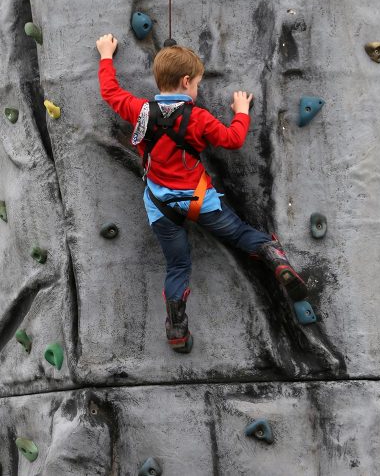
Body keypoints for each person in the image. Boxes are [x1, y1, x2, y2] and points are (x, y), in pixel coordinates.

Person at [96, 33, 308, 354]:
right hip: (200, 201)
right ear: (185, 81)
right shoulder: (198, 118)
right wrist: (241, 110)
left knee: (178, 267)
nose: (197, 89)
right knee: (240, 234)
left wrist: (106, 55)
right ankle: (273, 257)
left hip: (160, 206)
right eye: (196, 84)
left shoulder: (139, 110)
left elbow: (109, 92)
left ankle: (178, 330)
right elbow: (233, 139)